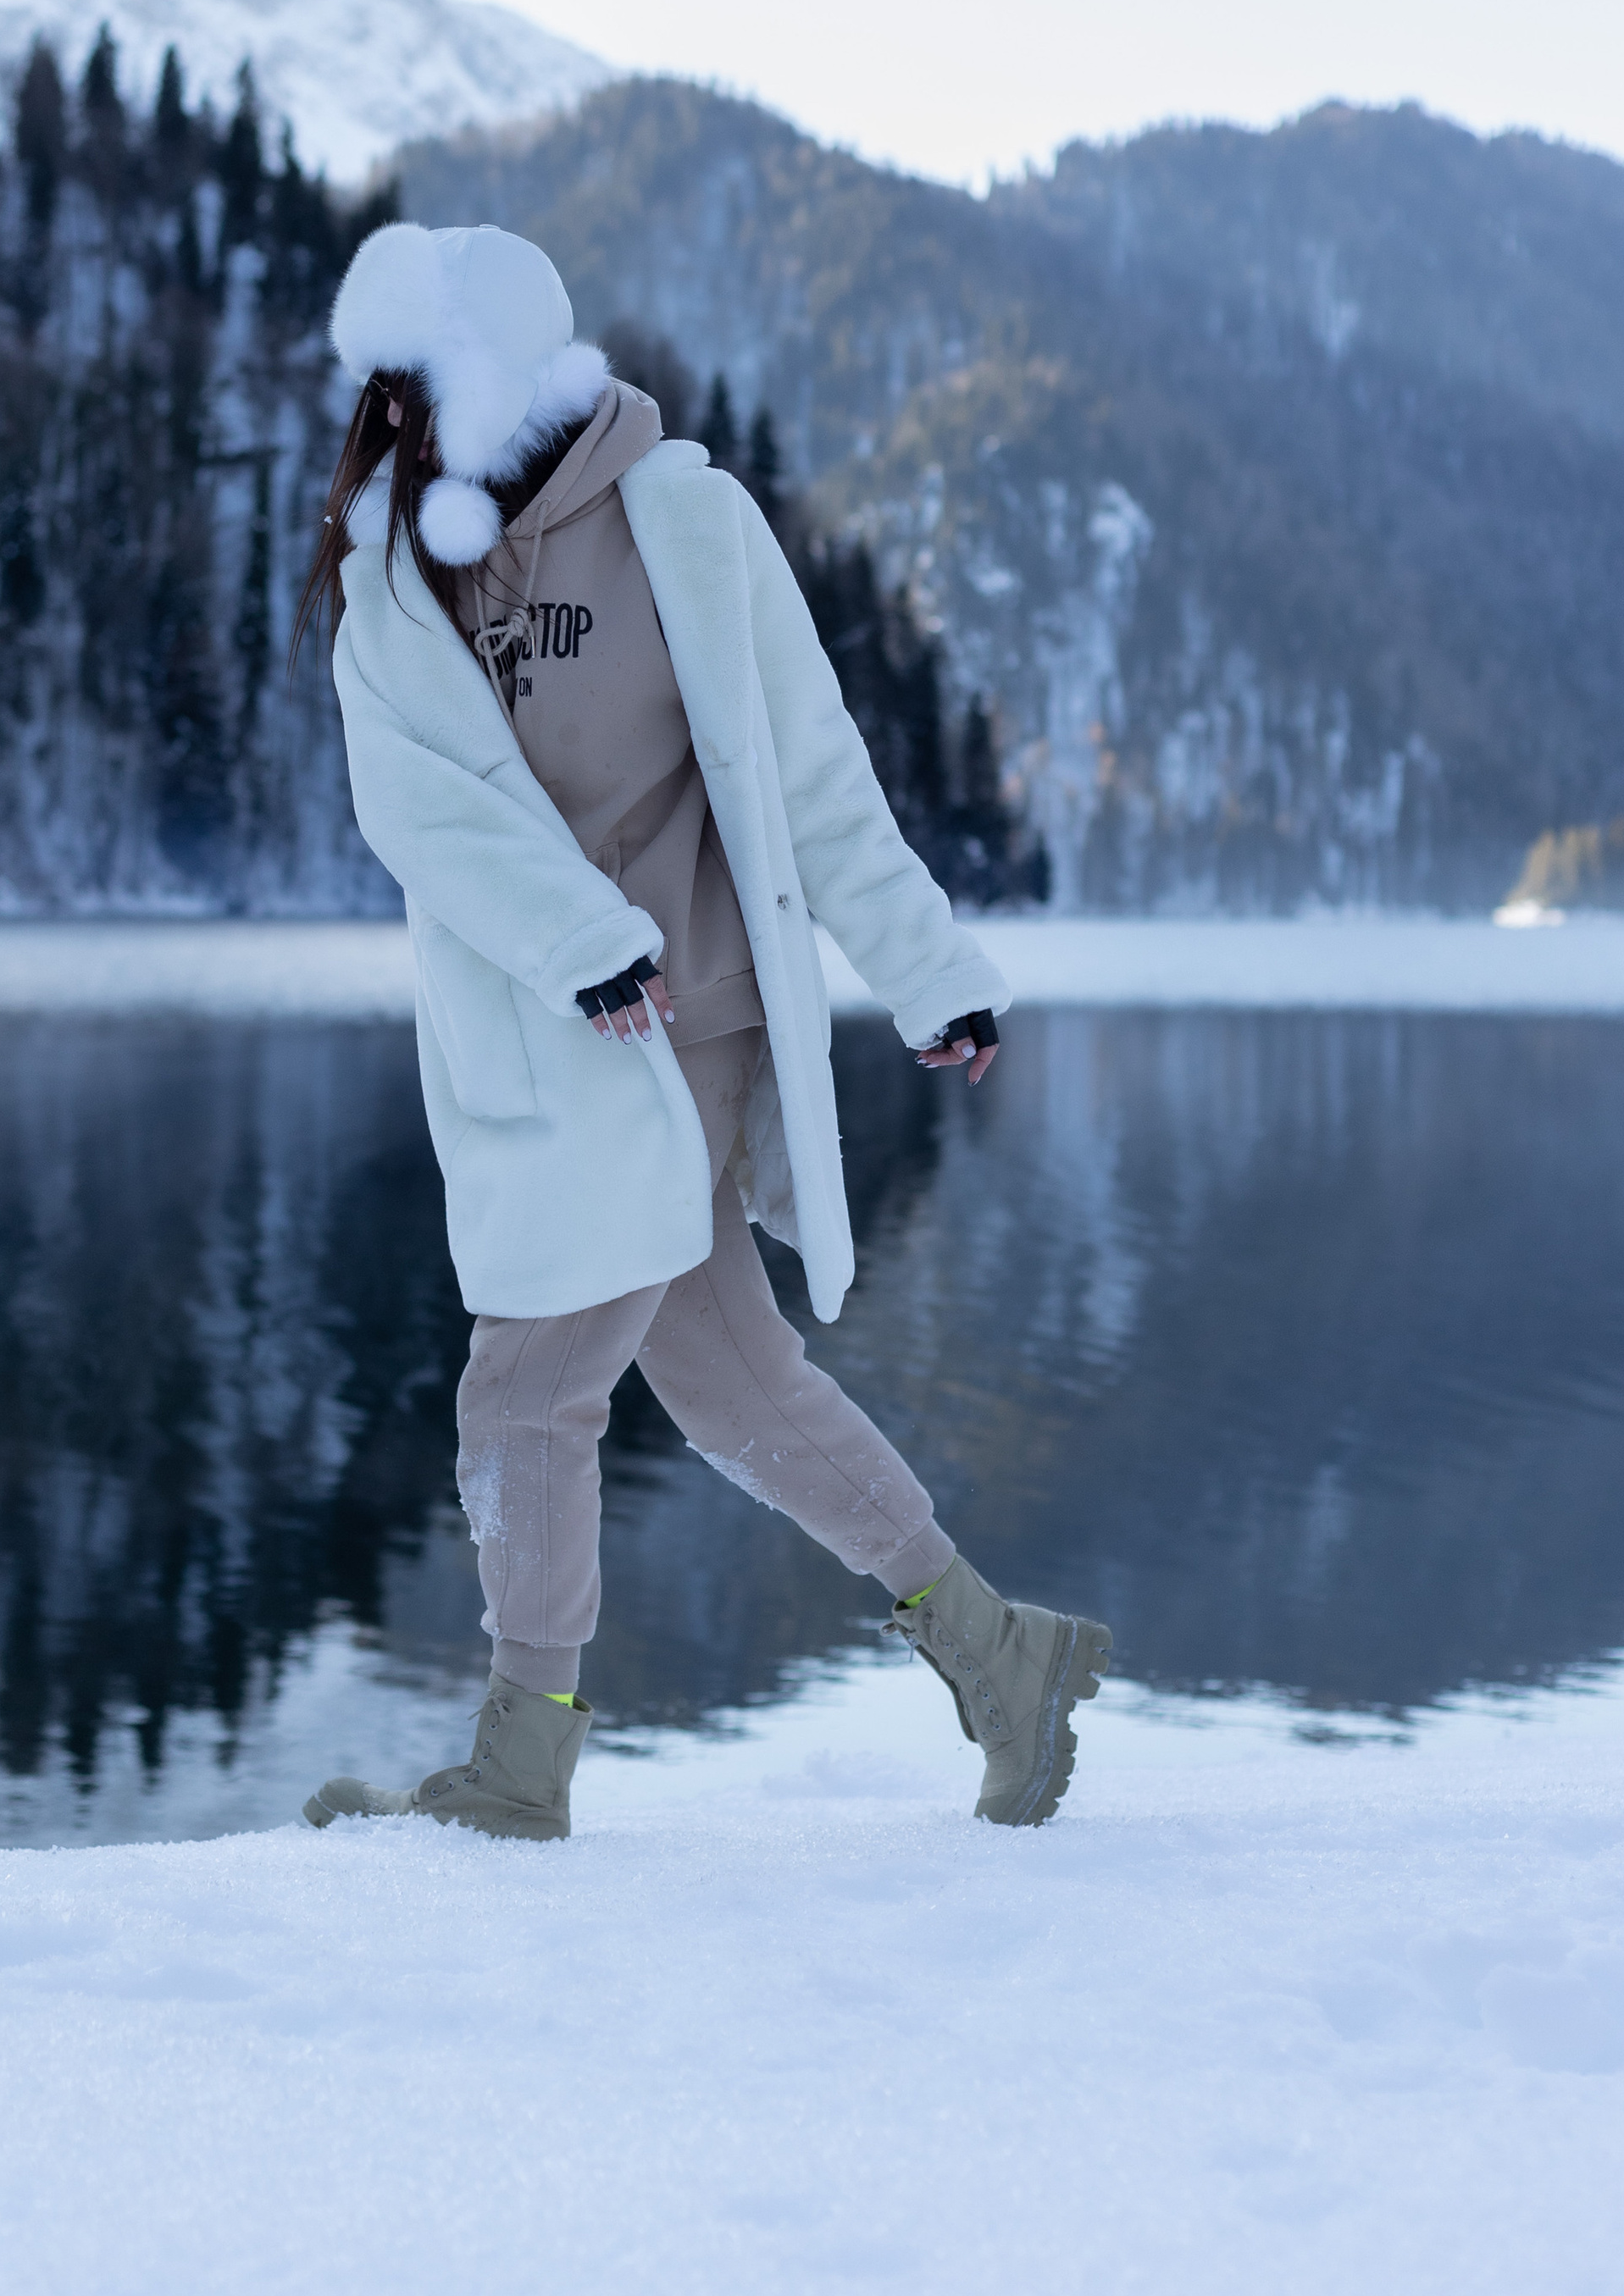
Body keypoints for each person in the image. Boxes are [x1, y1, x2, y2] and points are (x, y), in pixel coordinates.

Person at [295, 220, 1108, 1841]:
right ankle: (998, 1651)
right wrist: (573, 940)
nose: (396, 421)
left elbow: (810, 768)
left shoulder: (680, 520)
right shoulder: (393, 573)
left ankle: (523, 1767)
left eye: (421, 388)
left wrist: (927, 965)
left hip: (689, 1019)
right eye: (385, 394)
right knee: (733, 1384)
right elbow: (422, 814)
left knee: (527, 1391)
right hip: (541, 1030)